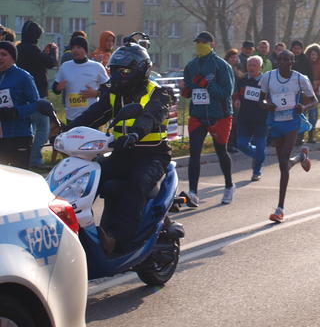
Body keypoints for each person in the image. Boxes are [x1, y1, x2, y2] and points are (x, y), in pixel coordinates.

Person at [66, 40, 173, 253]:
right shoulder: (115, 93)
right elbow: (93, 115)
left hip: (152, 155)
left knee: (137, 183)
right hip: (122, 154)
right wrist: (65, 130)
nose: (117, 76)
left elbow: (151, 117)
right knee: (87, 176)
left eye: (123, 71)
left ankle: (117, 239)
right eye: (114, 70)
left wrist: (135, 133)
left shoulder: (158, 93)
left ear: (141, 70)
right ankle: (76, 231)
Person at [260, 50, 318, 223]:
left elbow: (315, 100)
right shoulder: (268, 77)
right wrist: (267, 105)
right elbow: (261, 100)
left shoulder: (300, 79)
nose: (283, 62)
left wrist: (304, 108)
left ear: (293, 62)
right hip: (276, 122)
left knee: (284, 159)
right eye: (280, 59)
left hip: (292, 123)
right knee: (282, 164)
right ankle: (301, 157)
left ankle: (280, 209)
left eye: (286, 59)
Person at [181, 32, 236, 207]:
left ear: (212, 44)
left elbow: (227, 93)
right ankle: (193, 192)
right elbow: (189, 89)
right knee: (194, 153)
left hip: (219, 115)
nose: (200, 45)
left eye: (204, 42)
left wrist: (207, 84)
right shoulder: (191, 66)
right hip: (198, 115)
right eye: (198, 42)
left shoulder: (222, 66)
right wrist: (186, 91)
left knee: (221, 151)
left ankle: (229, 186)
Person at [16, 20, 58, 169]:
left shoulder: (18, 49)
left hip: (20, 97)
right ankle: (34, 160)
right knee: (43, 128)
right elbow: (51, 63)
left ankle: (23, 158)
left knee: (27, 130)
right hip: (37, 97)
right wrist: (53, 51)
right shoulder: (33, 50)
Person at [0, 41, 39, 168]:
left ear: (13, 58)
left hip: (19, 135)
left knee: (20, 175)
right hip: (1, 136)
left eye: (3, 54)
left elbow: (36, 104)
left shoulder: (23, 76)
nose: (0, 57)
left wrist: (15, 112)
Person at [52, 35, 109, 121]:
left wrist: (97, 93)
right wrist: (58, 88)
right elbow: (55, 88)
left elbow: (108, 89)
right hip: (71, 117)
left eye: (78, 47)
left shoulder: (97, 67)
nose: (75, 50)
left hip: (91, 115)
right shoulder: (65, 66)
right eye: (73, 48)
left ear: (85, 50)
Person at [234, 56, 268, 181]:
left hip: (261, 119)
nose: (251, 68)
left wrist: (266, 103)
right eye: (249, 65)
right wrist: (236, 99)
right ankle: (257, 155)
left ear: (260, 67)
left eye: (254, 65)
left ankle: (256, 172)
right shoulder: (242, 80)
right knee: (241, 144)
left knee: (260, 147)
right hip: (245, 118)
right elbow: (236, 93)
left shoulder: (266, 81)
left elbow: (270, 97)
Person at [305, 43, 320, 143]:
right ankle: (300, 136)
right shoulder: (305, 63)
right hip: (304, 94)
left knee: (313, 116)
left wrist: (315, 83)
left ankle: (311, 136)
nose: (313, 56)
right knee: (303, 115)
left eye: (315, 55)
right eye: (312, 54)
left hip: (314, 93)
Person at [224, 48, 243, 153]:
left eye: (236, 57)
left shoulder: (236, 69)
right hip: (229, 99)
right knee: (230, 122)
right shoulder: (225, 69)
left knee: (235, 122)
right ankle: (229, 144)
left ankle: (234, 143)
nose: (235, 59)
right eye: (232, 57)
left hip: (236, 98)